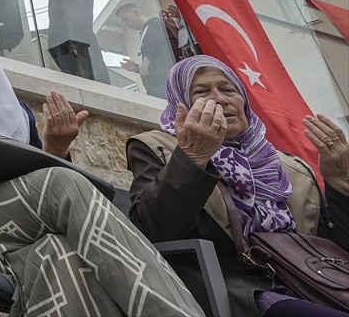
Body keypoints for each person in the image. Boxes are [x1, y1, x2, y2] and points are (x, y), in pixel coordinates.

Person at [0, 20, 204, 317]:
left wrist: (56, 149)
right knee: (64, 184)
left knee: (59, 256)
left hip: (8, 227)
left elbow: (30, 176)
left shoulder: (14, 111)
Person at [126, 56, 349, 317]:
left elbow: (334, 246)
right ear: (181, 104)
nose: (220, 99)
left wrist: (340, 184)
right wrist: (193, 157)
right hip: (240, 290)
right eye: (201, 91)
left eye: (228, 89)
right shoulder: (159, 147)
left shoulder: (289, 167)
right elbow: (151, 230)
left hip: (315, 284)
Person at [116, 3, 175, 98]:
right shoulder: (145, 31)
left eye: (125, 19)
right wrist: (137, 68)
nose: (125, 23)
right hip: (156, 88)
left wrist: (149, 58)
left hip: (164, 85)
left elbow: (166, 45)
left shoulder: (155, 24)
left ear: (136, 12)